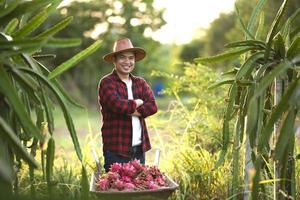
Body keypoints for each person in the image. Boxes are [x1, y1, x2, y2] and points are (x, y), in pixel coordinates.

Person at [98, 38, 158, 172]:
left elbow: (153, 106)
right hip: (116, 149)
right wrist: (138, 102)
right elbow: (117, 105)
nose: (127, 62)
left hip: (138, 149)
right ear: (114, 60)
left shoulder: (140, 83)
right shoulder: (107, 82)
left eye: (131, 58)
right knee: (116, 190)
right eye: (122, 57)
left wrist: (126, 108)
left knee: (138, 189)